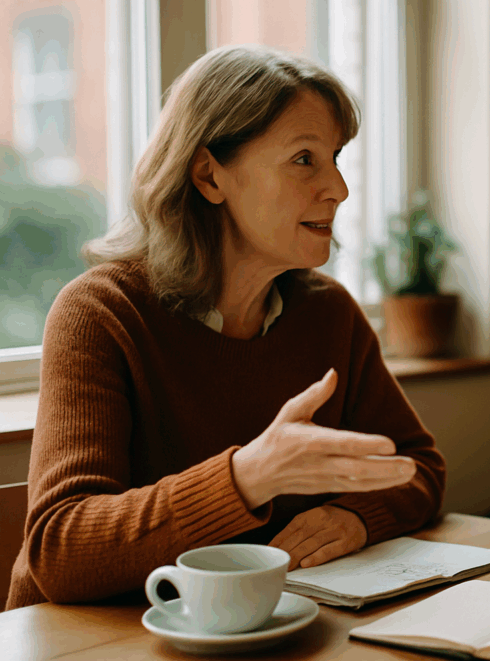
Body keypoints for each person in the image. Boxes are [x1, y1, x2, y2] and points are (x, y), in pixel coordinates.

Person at [5, 44, 446, 610]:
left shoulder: (329, 313)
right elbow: (59, 551)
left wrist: (356, 517)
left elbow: (419, 468)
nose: (338, 188)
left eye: (336, 157)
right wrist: (248, 476)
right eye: (304, 159)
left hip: (259, 634)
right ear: (210, 176)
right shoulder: (99, 315)